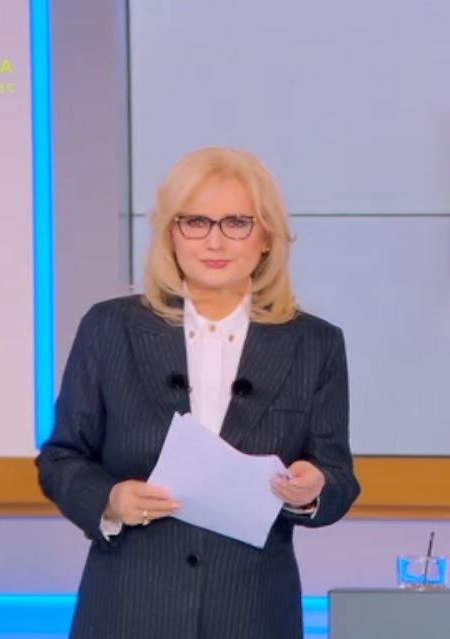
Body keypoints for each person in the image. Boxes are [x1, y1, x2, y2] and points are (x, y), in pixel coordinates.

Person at [35, 147, 360, 638]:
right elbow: (61, 458)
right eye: (195, 222)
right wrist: (110, 499)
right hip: (130, 608)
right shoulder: (110, 328)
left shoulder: (314, 343)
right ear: (171, 232)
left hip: (251, 612)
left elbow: (337, 476)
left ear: (266, 237)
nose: (214, 240)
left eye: (237, 223)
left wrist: (314, 488)